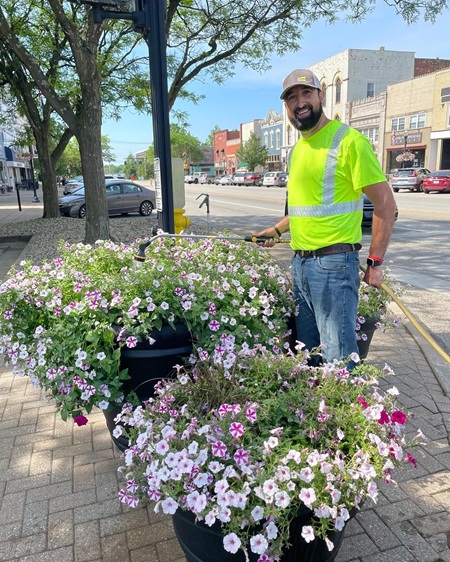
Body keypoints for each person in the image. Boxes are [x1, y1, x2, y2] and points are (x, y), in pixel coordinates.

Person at [255, 68, 397, 365]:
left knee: (339, 357)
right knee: (309, 353)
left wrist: (375, 263)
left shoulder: (348, 141)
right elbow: (305, 210)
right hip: (301, 264)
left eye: (306, 93)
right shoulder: (297, 152)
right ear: (287, 106)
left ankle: (348, 409)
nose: (300, 102)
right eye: (292, 97)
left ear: (321, 95)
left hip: (333, 266)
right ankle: (317, 412)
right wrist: (277, 230)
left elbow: (385, 205)